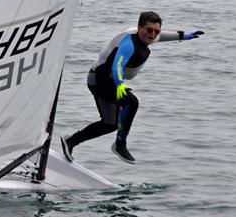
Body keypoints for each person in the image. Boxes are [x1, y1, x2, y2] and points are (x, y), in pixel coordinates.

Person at [60, 11, 204, 164]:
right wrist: (120, 84)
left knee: (109, 124)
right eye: (149, 30)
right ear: (139, 28)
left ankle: (71, 141)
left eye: (156, 31)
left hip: (106, 82)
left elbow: (164, 36)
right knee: (131, 102)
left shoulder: (148, 37)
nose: (153, 34)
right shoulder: (129, 43)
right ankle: (120, 145)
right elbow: (118, 65)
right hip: (99, 80)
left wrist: (184, 36)